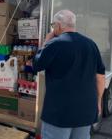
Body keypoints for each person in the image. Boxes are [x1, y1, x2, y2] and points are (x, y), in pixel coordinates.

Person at [33, 10, 105, 139]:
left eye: (53, 25)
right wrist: (98, 100)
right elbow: (100, 76)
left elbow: (37, 65)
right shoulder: (91, 44)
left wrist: (46, 42)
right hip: (85, 110)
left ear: (58, 25)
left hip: (59, 112)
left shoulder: (54, 44)